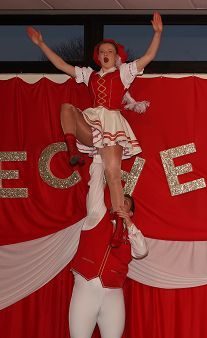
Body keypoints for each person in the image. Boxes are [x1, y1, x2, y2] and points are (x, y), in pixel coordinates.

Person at [27, 12, 162, 247]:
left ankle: (120, 226)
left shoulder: (123, 72)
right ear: (98, 57)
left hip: (111, 125)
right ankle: (72, 151)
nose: (105, 54)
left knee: (113, 175)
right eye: (102, 52)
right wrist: (41, 44)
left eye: (110, 51)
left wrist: (157, 33)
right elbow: (62, 65)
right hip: (92, 124)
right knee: (67, 108)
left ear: (116, 56)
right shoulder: (89, 75)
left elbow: (148, 56)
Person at [64, 156, 148, 338]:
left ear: (130, 212)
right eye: (118, 200)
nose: (120, 203)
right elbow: (95, 184)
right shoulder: (96, 215)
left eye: (126, 203)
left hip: (112, 294)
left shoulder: (131, 234)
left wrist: (129, 223)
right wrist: (102, 156)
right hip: (86, 288)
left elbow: (142, 251)